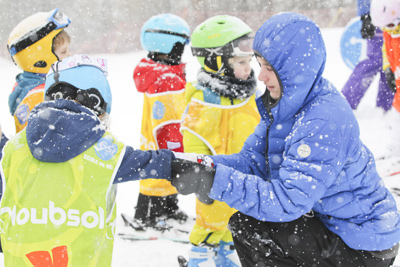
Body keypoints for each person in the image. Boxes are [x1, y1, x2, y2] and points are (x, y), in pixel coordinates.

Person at [171, 12, 400, 266]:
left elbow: (287, 201)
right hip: (336, 224)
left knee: (254, 229)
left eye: (269, 68)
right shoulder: (288, 105)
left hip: (364, 245)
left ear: (293, 69)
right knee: (247, 224)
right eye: (260, 66)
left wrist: (213, 180)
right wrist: (201, 166)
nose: (260, 76)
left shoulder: (321, 120)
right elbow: (252, 161)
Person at [0, 54, 182, 266]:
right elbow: (152, 162)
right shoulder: (103, 151)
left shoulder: (14, 147)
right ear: (94, 101)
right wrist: (198, 167)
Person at [180, 15, 260, 266]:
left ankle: (226, 253)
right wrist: (197, 170)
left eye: (249, 61)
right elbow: (193, 136)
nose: (248, 68)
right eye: (240, 62)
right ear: (215, 61)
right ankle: (200, 256)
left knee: (236, 219)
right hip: (214, 179)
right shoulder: (204, 99)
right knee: (210, 221)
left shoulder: (248, 93)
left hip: (245, 175)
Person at [131, 14, 190, 229]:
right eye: (180, 45)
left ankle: (168, 208)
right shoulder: (167, 79)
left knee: (161, 173)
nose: (182, 50)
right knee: (160, 174)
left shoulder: (158, 72)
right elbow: (170, 118)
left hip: (154, 137)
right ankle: (150, 215)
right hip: (165, 137)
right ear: (169, 44)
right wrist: (176, 143)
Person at [7, 8, 72, 133]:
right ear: (40, 58)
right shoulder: (39, 96)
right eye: (63, 52)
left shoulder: (25, 83)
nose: (69, 55)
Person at [341, 0, 394, 112]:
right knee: (376, 60)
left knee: (390, 64)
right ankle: (346, 101)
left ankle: (385, 108)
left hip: (394, 18)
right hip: (378, 17)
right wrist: (365, 15)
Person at [371, 0, 400, 159]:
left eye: (389, 25)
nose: (387, 29)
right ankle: (395, 148)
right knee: (397, 114)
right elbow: (386, 48)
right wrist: (388, 67)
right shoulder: (390, 31)